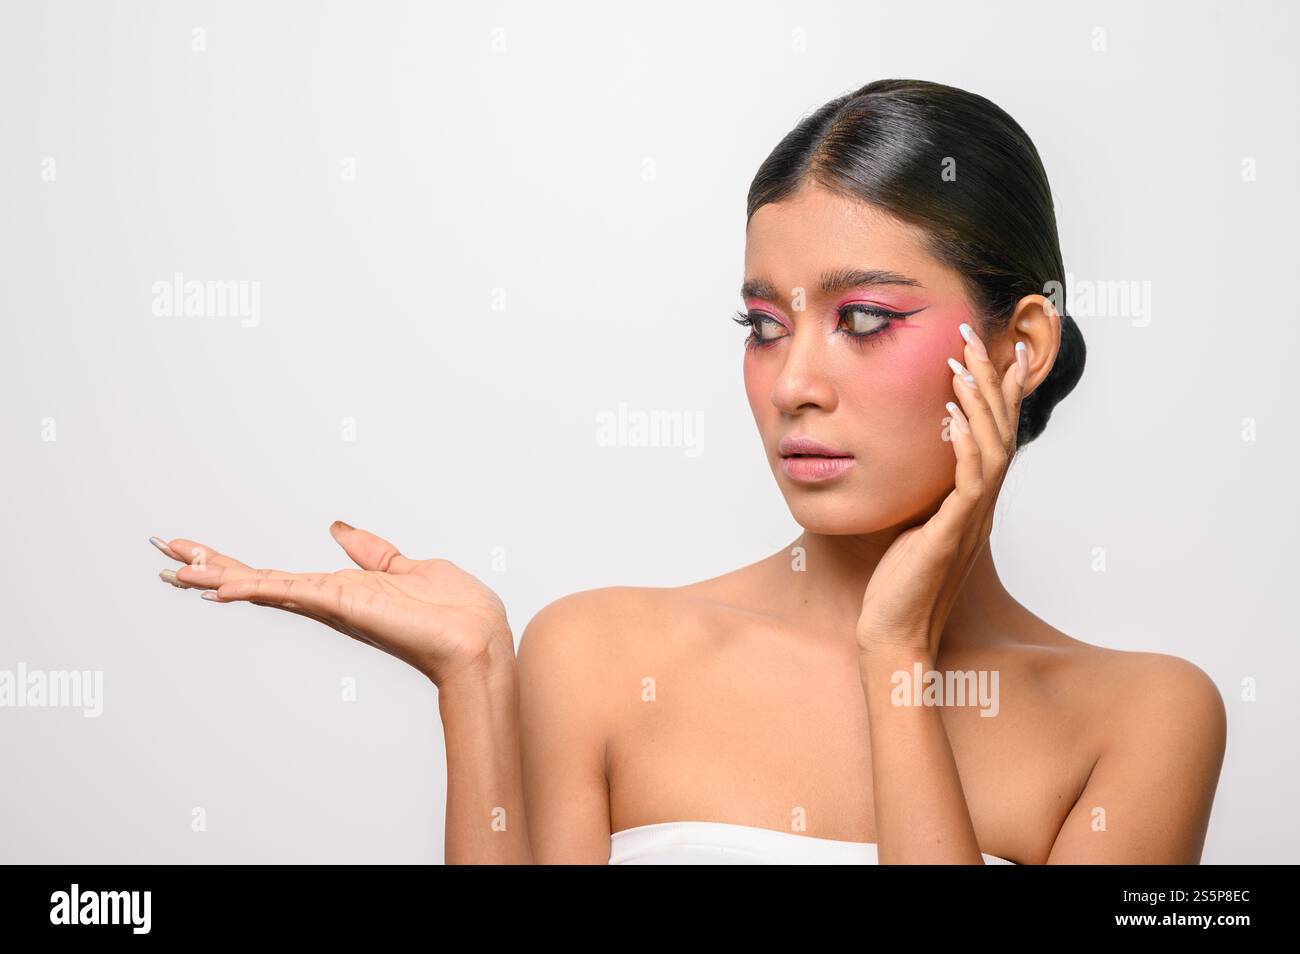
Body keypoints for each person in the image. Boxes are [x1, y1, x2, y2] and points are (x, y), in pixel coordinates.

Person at [150, 78, 1227, 864]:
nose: (793, 381)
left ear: (1019, 347)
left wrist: (895, 656)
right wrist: (476, 680)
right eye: (762, 324)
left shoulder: (1143, 722)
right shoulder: (600, 654)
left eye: (863, 319)